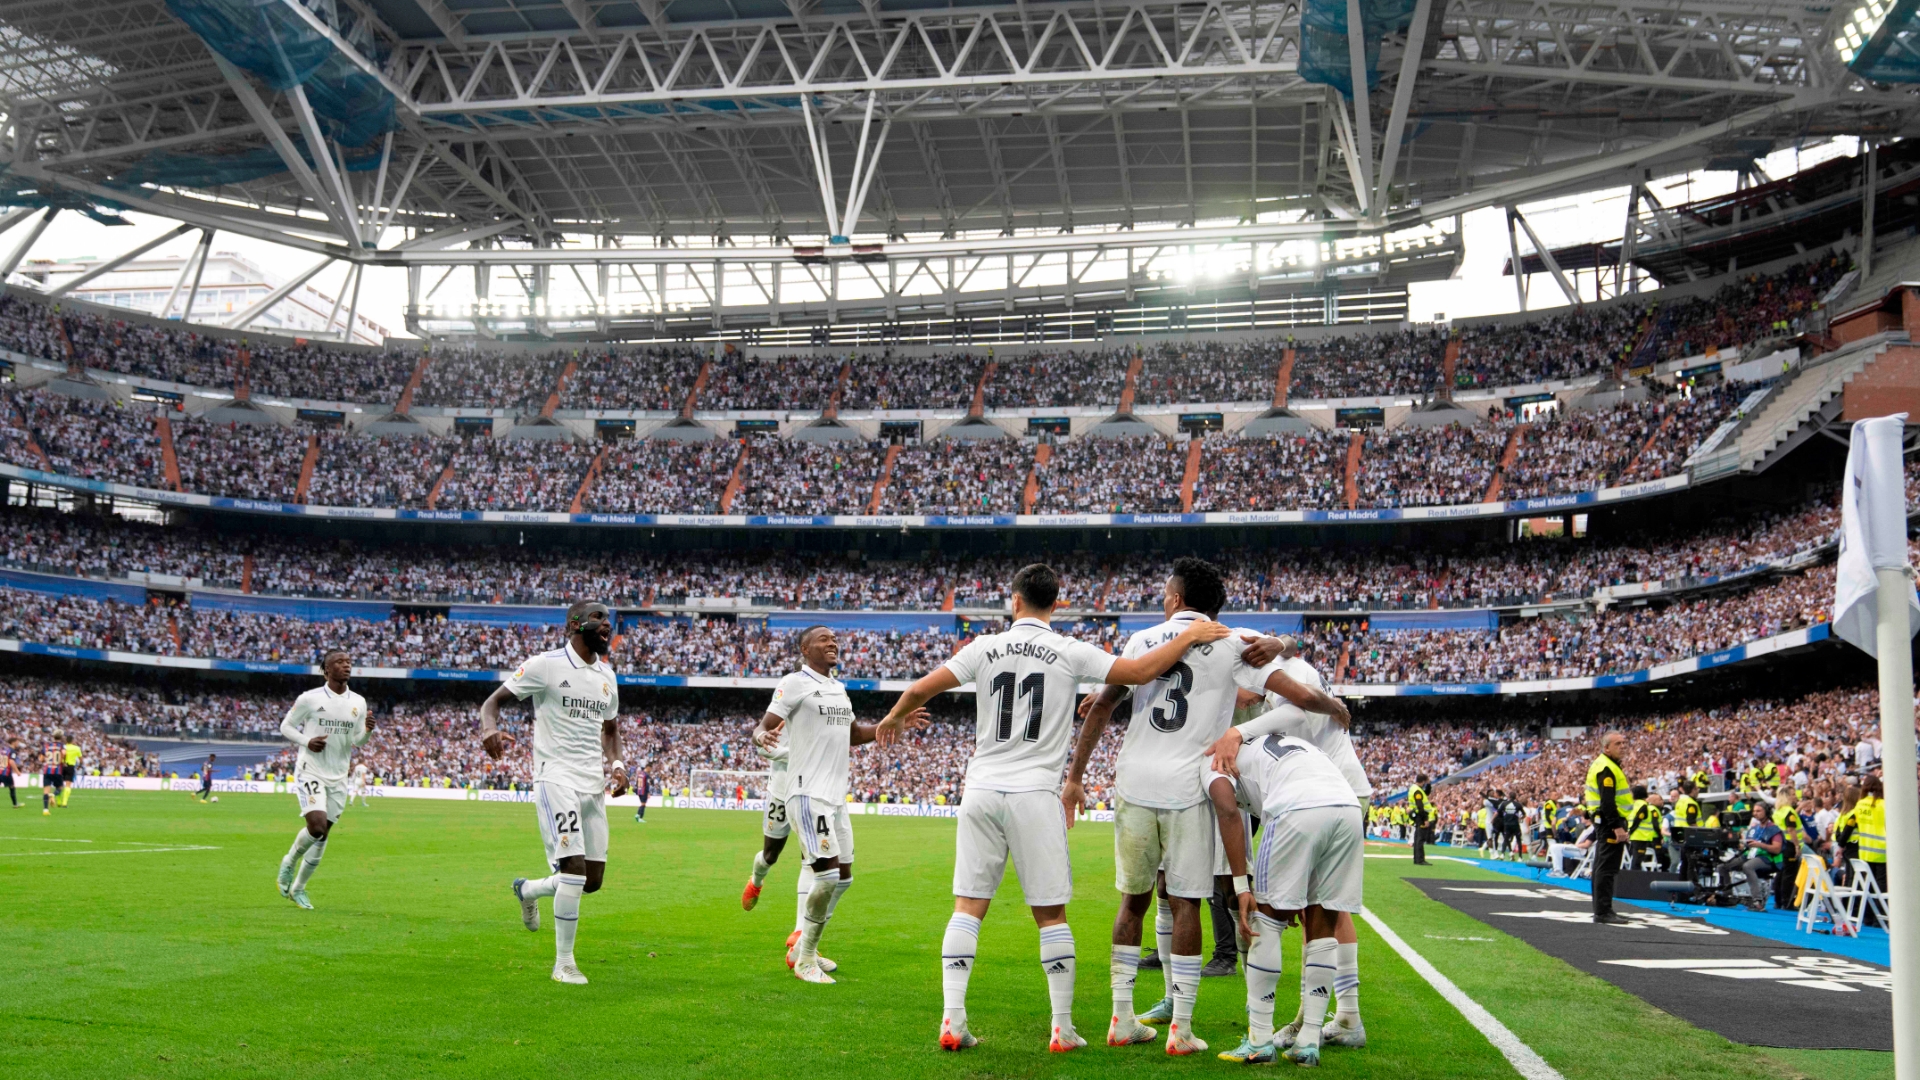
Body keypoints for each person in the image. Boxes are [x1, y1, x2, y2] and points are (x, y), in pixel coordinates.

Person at [874, 562, 1232, 1055]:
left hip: (980, 789)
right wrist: (1191, 635)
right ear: (1056, 604)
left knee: (967, 906)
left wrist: (891, 719)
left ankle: (953, 1019)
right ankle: (1061, 1029)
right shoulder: (1068, 650)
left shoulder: (984, 647)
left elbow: (918, 690)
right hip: (1034, 793)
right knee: (1051, 915)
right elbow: (1141, 671)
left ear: (1015, 600)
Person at [1063, 558, 1313, 1054]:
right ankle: (1180, 1030)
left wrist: (1074, 776)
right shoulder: (1231, 644)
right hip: (1188, 786)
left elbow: (1104, 705)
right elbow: (1290, 681)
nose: (1161, 597)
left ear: (1176, 599)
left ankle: (1121, 1018)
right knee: (1185, 903)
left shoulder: (1141, 641)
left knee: (1132, 901)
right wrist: (1287, 650)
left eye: (1164, 591)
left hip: (1134, 782)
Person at [1203, 636, 1369, 1052]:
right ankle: (1315, 1032)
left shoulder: (1226, 745)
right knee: (1323, 916)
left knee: (1269, 920)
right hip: (1342, 799)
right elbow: (1292, 656)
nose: (1236, 699)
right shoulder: (1277, 702)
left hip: (1302, 801)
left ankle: (1259, 1038)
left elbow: (1228, 813)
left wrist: (1243, 888)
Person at [753, 625, 927, 984]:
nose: (832, 643)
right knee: (828, 875)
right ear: (805, 648)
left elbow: (852, 735)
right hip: (806, 792)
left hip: (835, 798)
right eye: (823, 639)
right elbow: (762, 728)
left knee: (844, 878)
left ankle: (808, 948)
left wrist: (893, 724)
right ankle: (803, 958)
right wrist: (763, 736)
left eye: (835, 640)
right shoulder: (795, 683)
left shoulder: (838, 689)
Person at [481, 600, 628, 986]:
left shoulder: (607, 677)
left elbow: (610, 731)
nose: (605, 626)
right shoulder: (545, 665)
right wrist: (488, 728)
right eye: (598, 618)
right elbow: (492, 702)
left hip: (591, 784)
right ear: (574, 624)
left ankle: (528, 890)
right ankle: (564, 963)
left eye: (608, 621)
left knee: (592, 879)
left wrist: (617, 766)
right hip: (555, 777)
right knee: (573, 870)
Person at [275, 649, 373, 910]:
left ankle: (299, 889)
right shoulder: (309, 698)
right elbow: (285, 726)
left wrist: (368, 732)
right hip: (311, 770)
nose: (346, 665)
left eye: (349, 662)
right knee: (316, 827)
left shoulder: (359, 702)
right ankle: (289, 861)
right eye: (340, 662)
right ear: (326, 670)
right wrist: (307, 741)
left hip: (339, 775)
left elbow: (356, 741)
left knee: (324, 834)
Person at [1583, 731, 1631, 924]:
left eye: (1624, 742)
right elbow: (1608, 802)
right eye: (1618, 743)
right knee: (1607, 868)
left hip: (1604, 822)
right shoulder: (1606, 768)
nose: (1623, 746)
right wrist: (1617, 827)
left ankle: (1602, 909)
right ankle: (1603, 912)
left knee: (1601, 866)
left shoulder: (1605, 764)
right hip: (1610, 823)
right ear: (1606, 748)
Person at [1735, 801, 1783, 911]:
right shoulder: (1753, 828)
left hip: (1767, 858)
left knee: (1748, 866)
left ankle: (1757, 901)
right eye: (1754, 811)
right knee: (1723, 867)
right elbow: (1747, 846)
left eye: (1758, 811)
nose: (1755, 813)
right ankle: (1726, 897)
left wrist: (1760, 845)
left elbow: (1777, 849)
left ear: (1766, 812)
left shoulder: (1774, 829)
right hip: (1750, 855)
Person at [1626, 786, 1663, 870]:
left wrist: (1629, 832)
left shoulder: (1637, 805)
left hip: (1637, 836)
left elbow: (1636, 820)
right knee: (1637, 860)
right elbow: (1637, 820)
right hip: (1641, 836)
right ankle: (1634, 877)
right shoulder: (1643, 805)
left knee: (1636, 859)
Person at [40, 741, 62, 816]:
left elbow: (41, 759)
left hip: (47, 770)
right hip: (57, 770)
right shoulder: (61, 746)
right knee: (60, 788)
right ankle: (53, 794)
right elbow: (64, 754)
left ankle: (45, 810)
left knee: (46, 791)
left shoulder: (46, 746)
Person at [59, 735, 79, 807]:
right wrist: (79, 766)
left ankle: (58, 801)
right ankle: (64, 803)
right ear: (72, 741)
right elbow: (81, 758)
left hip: (62, 766)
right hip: (70, 767)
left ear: (66, 741)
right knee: (68, 785)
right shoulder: (76, 748)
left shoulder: (63, 747)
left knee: (59, 784)